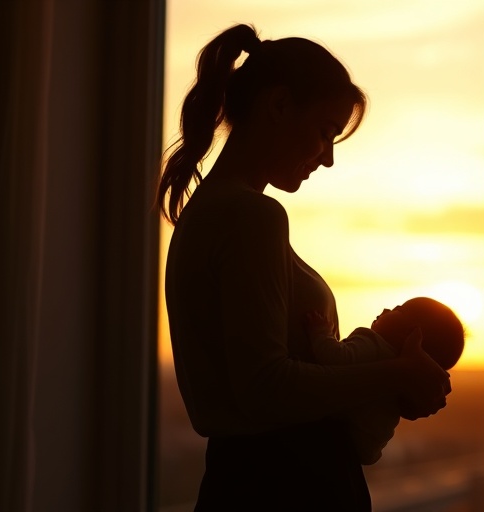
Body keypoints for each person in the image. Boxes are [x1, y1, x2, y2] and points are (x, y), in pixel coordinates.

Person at [157, 23, 452, 511]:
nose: (328, 158)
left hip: (251, 479)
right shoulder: (251, 215)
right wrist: (397, 374)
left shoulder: (210, 212)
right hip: (286, 483)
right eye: (323, 132)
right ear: (278, 106)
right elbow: (266, 388)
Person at [306, 297, 465, 465]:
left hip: (332, 441)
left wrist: (321, 332)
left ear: (413, 335)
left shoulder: (373, 345)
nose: (386, 309)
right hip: (359, 453)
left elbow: (334, 358)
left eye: (398, 310)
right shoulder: (405, 383)